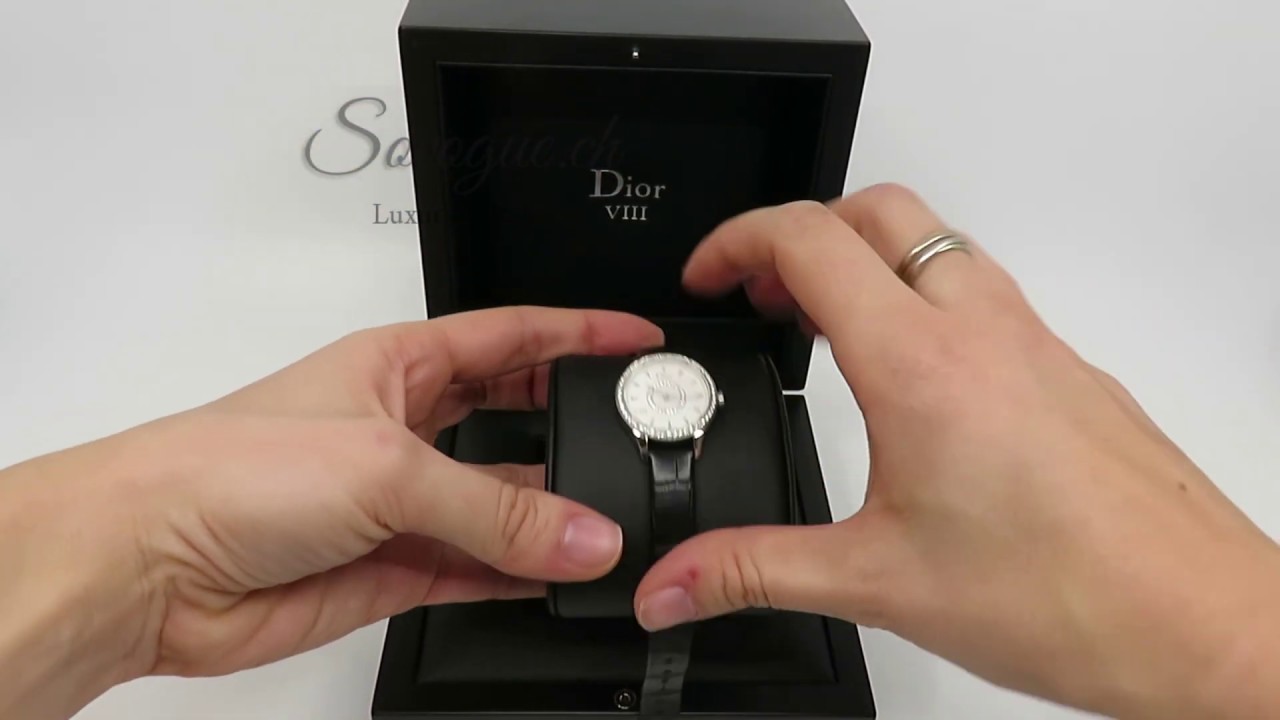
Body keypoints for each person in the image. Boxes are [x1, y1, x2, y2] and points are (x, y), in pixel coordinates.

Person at [1, 184, 1275, 720]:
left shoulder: (704, 399)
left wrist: (139, 558)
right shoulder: (659, 402)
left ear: (697, 403)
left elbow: (676, 407)